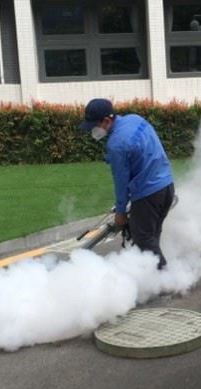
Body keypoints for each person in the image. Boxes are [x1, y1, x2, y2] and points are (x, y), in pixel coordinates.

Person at [79, 98, 175, 270]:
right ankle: (151, 276)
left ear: (106, 121)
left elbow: (121, 181)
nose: (92, 131)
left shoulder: (116, 144)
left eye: (94, 126)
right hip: (167, 185)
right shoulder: (135, 119)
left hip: (148, 194)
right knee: (151, 236)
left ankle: (165, 277)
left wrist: (121, 211)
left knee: (143, 238)